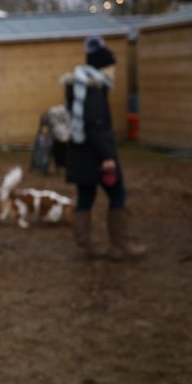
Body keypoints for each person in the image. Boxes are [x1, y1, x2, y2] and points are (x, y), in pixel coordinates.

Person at [65, 36, 145, 261]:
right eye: (111, 67)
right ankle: (119, 246)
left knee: (85, 197)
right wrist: (107, 156)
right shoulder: (94, 91)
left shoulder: (78, 88)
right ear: (102, 67)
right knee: (117, 194)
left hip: (81, 155)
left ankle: (85, 246)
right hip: (96, 156)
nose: (114, 72)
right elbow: (97, 125)